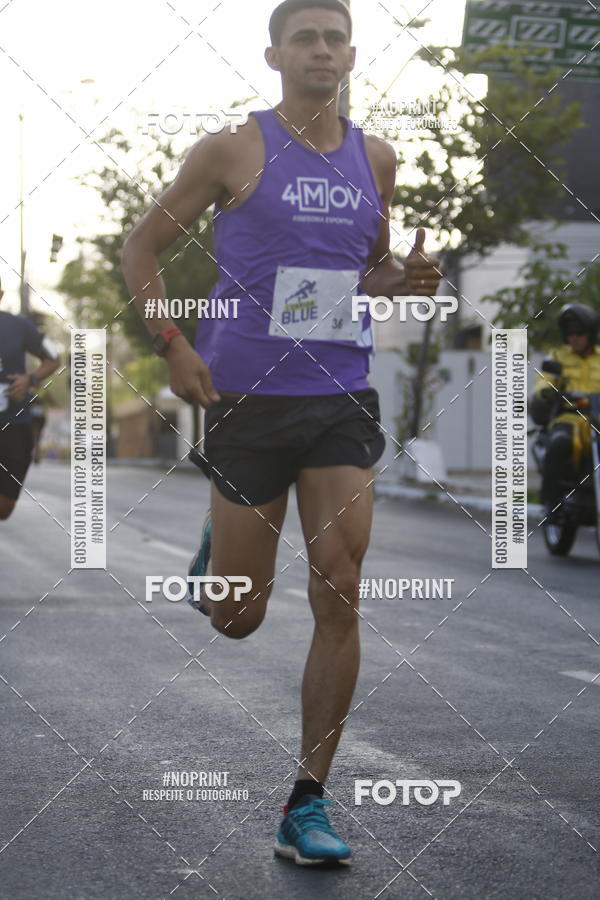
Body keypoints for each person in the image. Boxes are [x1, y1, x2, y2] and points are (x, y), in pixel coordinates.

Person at [121, 0, 442, 866]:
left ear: (351, 55)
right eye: (306, 36)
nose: (323, 49)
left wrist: (404, 276)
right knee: (238, 617)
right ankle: (213, 556)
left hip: (339, 393)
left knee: (339, 585)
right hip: (247, 400)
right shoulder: (233, 151)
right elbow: (140, 249)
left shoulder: (377, 157)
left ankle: (307, 800)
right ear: (275, 56)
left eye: (336, 36)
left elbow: (364, 272)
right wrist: (173, 344)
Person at [0, 277, 61, 520]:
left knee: (5, 509)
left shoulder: (19, 326)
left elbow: (54, 358)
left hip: (15, 423)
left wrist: (30, 380)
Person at [533, 303, 600, 519]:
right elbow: (545, 380)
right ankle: (551, 501)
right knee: (560, 442)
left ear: (590, 333)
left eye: (579, 333)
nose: (574, 338)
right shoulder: (558, 356)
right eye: (570, 333)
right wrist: (547, 391)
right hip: (569, 417)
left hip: (597, 417)